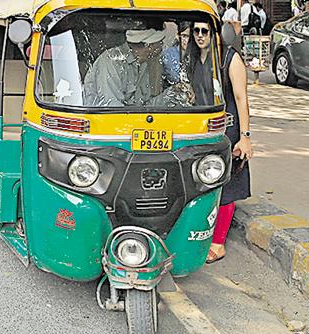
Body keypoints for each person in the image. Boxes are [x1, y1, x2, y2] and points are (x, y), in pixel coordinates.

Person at [204, 23, 253, 263]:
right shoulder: (200, 57)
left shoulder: (231, 59)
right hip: (205, 128)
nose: (200, 36)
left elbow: (241, 98)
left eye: (206, 31)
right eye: (196, 31)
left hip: (230, 129)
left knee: (228, 183)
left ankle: (218, 242)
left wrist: (245, 137)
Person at [83, 28, 195, 107]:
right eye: (160, 43)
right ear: (148, 46)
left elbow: (144, 106)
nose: (162, 46)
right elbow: (111, 107)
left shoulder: (144, 63)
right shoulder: (111, 61)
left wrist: (173, 92)